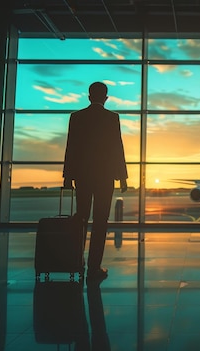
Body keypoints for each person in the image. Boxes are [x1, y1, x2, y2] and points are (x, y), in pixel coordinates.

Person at [63, 81, 128, 282]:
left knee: (81, 217)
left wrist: (68, 176)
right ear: (106, 98)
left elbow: (71, 148)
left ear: (89, 96)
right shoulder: (112, 118)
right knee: (101, 221)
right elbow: (117, 148)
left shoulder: (76, 117)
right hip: (104, 177)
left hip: (82, 177)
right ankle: (94, 267)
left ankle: (76, 261)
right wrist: (123, 177)